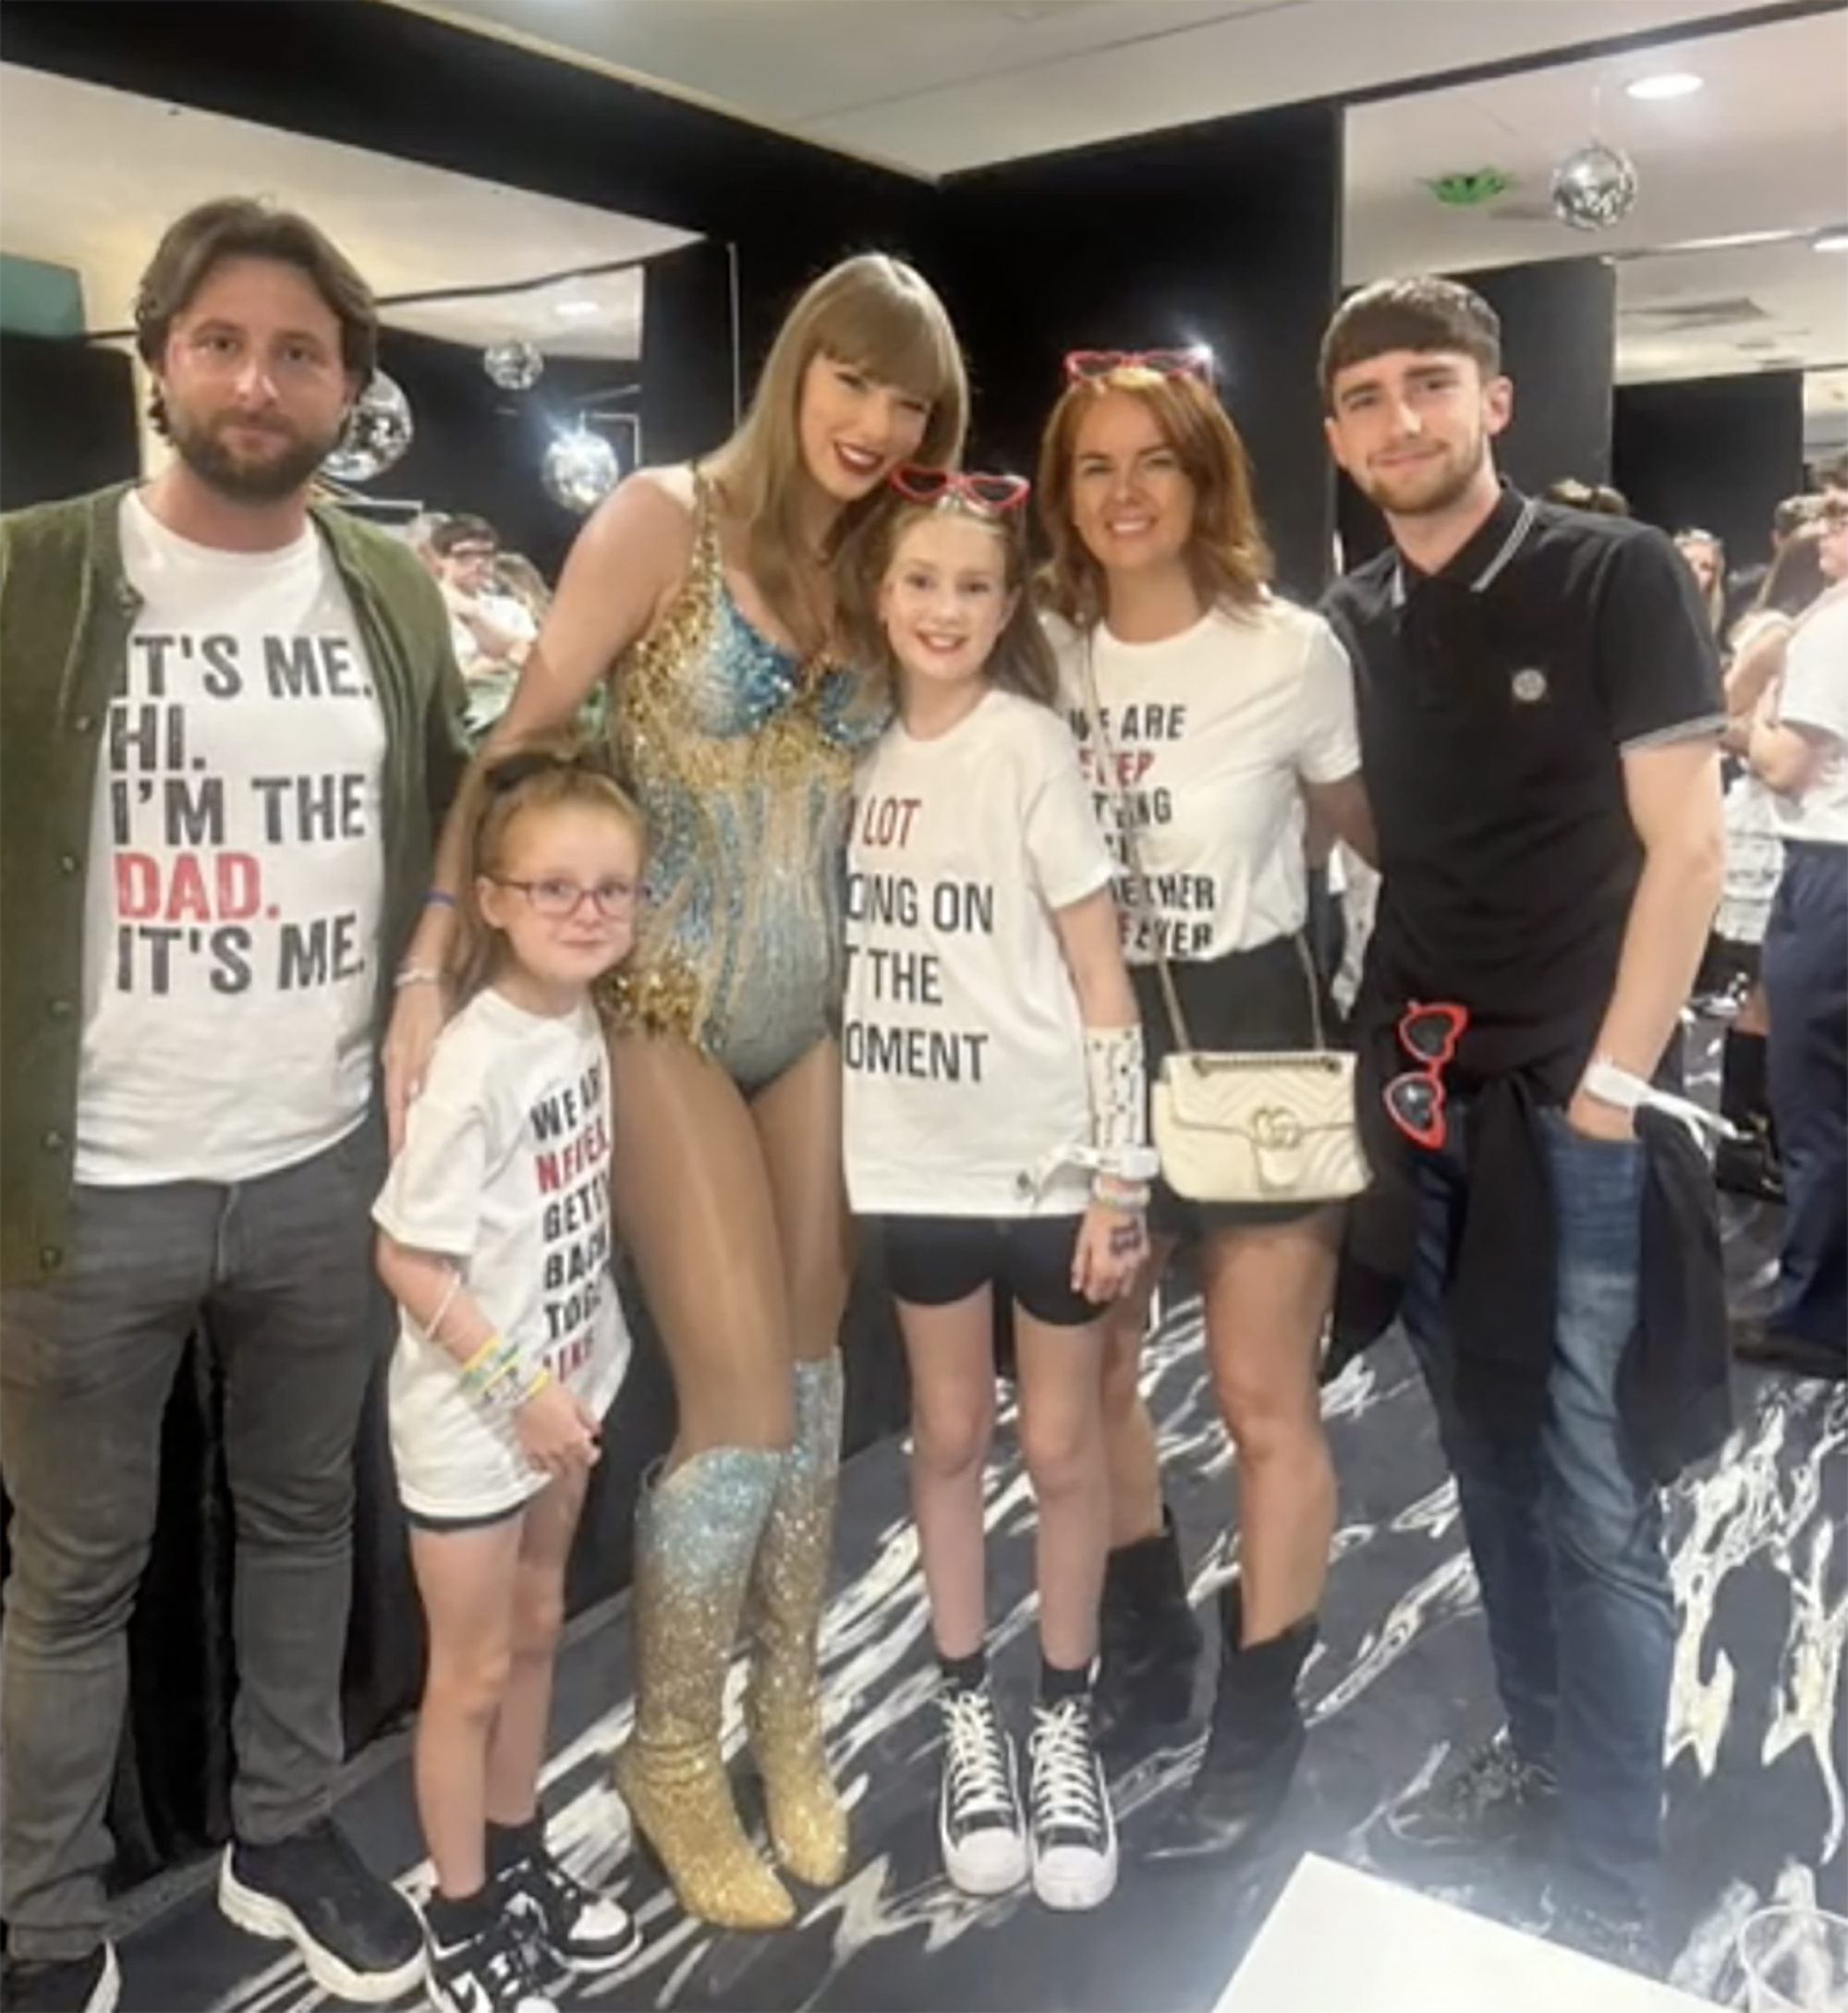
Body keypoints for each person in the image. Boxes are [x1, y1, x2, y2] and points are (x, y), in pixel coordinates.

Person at [383, 254, 967, 1931]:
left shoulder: (879, 560)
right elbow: (523, 740)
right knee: (736, 1412)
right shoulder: (663, 518)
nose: (874, 422)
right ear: (798, 366)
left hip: (820, 1011)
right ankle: (671, 1748)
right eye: (852, 379)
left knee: (806, 1380)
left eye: (910, 401)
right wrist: (437, 948)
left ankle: (783, 1709)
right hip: (660, 1004)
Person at [0, 197, 459, 2013]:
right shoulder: (32, 573)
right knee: (66, 1580)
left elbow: (453, 826)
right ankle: (41, 1923)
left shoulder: (390, 590)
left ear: (347, 386)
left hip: (319, 1169)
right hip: (84, 1185)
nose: (256, 380)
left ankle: (284, 1828)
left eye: (297, 351)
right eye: (220, 341)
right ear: (153, 358)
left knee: (299, 1522)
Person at [1319, 277, 1726, 1971]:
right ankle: (1544, 1753)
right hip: (1416, 1099)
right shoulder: (1342, 618)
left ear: (1495, 401)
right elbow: (1367, 831)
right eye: (1364, 399)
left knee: (1586, 1475)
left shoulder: (1611, 571)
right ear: (1335, 437)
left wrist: (1613, 1094)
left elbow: (1688, 850)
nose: (1399, 420)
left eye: (1430, 385)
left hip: (1576, 1108)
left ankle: (1611, 1869)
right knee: (1482, 1453)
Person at [1038, 348, 1373, 1860]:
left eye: (1152, 462)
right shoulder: (1034, 645)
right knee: (1092, 1376)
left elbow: (1357, 834)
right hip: (1083, 1039)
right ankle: (1153, 1648)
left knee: (1258, 1397)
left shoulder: (1287, 649)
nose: (1123, 493)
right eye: (1093, 466)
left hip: (1249, 1027)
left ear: (1204, 478)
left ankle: (1261, 1704)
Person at [842, 467, 1152, 1910]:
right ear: (879, 594)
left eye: (973, 586)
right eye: (920, 582)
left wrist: (1119, 1170)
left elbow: (1102, 973)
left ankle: (1065, 1710)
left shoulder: (1028, 744)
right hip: (912, 1159)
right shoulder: (849, 748)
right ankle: (969, 1701)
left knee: (1067, 1449)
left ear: (1008, 600)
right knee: (951, 1438)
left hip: (1045, 1162)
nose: (945, 609)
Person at [374, 741, 645, 2013]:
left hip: (566, 1390)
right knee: (471, 1670)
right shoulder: (474, 1059)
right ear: (490, 898)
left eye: (612, 889)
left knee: (538, 1630)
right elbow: (405, 1254)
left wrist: (570, 1380)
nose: (586, 913)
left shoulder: (577, 1018)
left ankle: (518, 1847)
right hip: (482, 1422)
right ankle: (463, 1908)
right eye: (554, 890)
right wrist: (519, 1387)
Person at [1739, 494, 1848, 1381]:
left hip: (1832, 875)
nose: (1825, 532)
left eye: (1844, 515)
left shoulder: (1831, 631)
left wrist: (1746, 722)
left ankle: (1817, 1316)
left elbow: (1785, 764)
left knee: (1817, 1106)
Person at [433, 515, 538, 685]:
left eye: (486, 554)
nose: (478, 562)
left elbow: (531, 658)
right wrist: (473, 672)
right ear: (441, 559)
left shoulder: (510, 610)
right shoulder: (423, 608)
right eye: (464, 555)